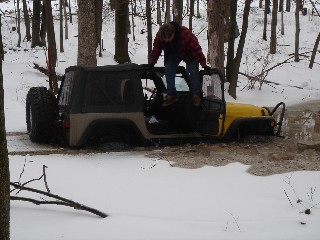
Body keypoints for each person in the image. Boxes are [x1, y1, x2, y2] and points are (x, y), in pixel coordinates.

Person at [150, 21, 210, 107]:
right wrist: (152, 62)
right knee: (168, 68)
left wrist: (204, 64)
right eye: (164, 39)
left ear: (174, 33)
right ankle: (172, 95)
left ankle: (196, 96)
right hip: (173, 53)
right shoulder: (160, 35)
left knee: (192, 71)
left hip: (189, 53)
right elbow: (156, 49)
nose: (166, 40)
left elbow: (196, 50)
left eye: (168, 38)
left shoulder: (185, 34)